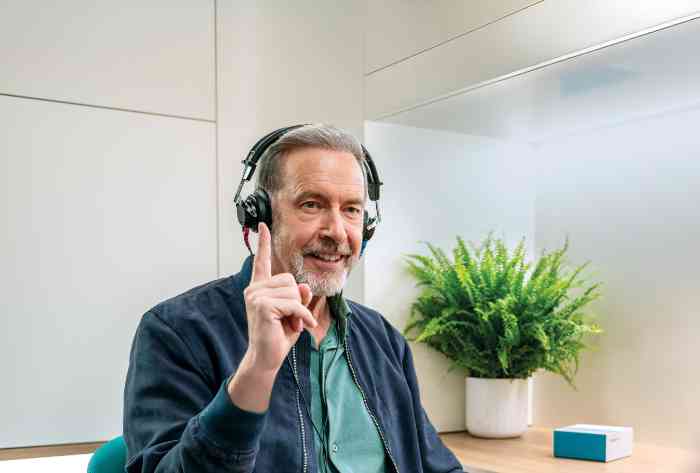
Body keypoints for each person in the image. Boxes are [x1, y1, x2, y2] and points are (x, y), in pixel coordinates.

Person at [123, 124, 466, 472]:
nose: (336, 231)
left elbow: (438, 465)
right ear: (261, 216)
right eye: (312, 204)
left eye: (351, 210)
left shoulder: (382, 340)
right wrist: (257, 369)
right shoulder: (176, 331)